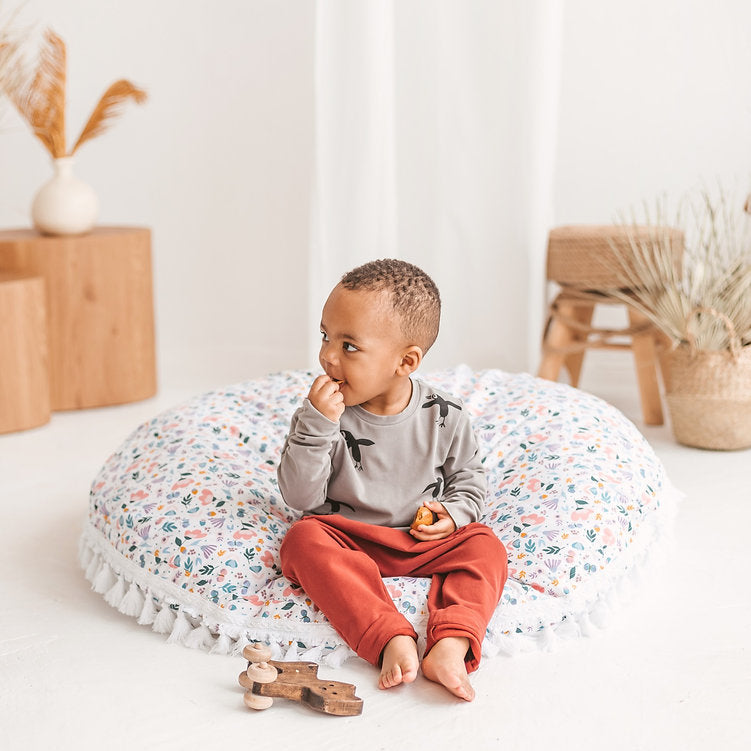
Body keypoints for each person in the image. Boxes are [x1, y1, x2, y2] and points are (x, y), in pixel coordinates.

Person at [277, 259, 507, 702]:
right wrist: (317, 426)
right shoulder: (321, 417)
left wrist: (452, 516)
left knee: (486, 546)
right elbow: (300, 496)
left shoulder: (445, 416)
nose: (327, 356)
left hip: (420, 540)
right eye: (325, 336)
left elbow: (469, 481)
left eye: (349, 346)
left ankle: (450, 644)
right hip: (346, 536)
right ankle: (388, 636)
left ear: (406, 361)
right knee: (302, 539)